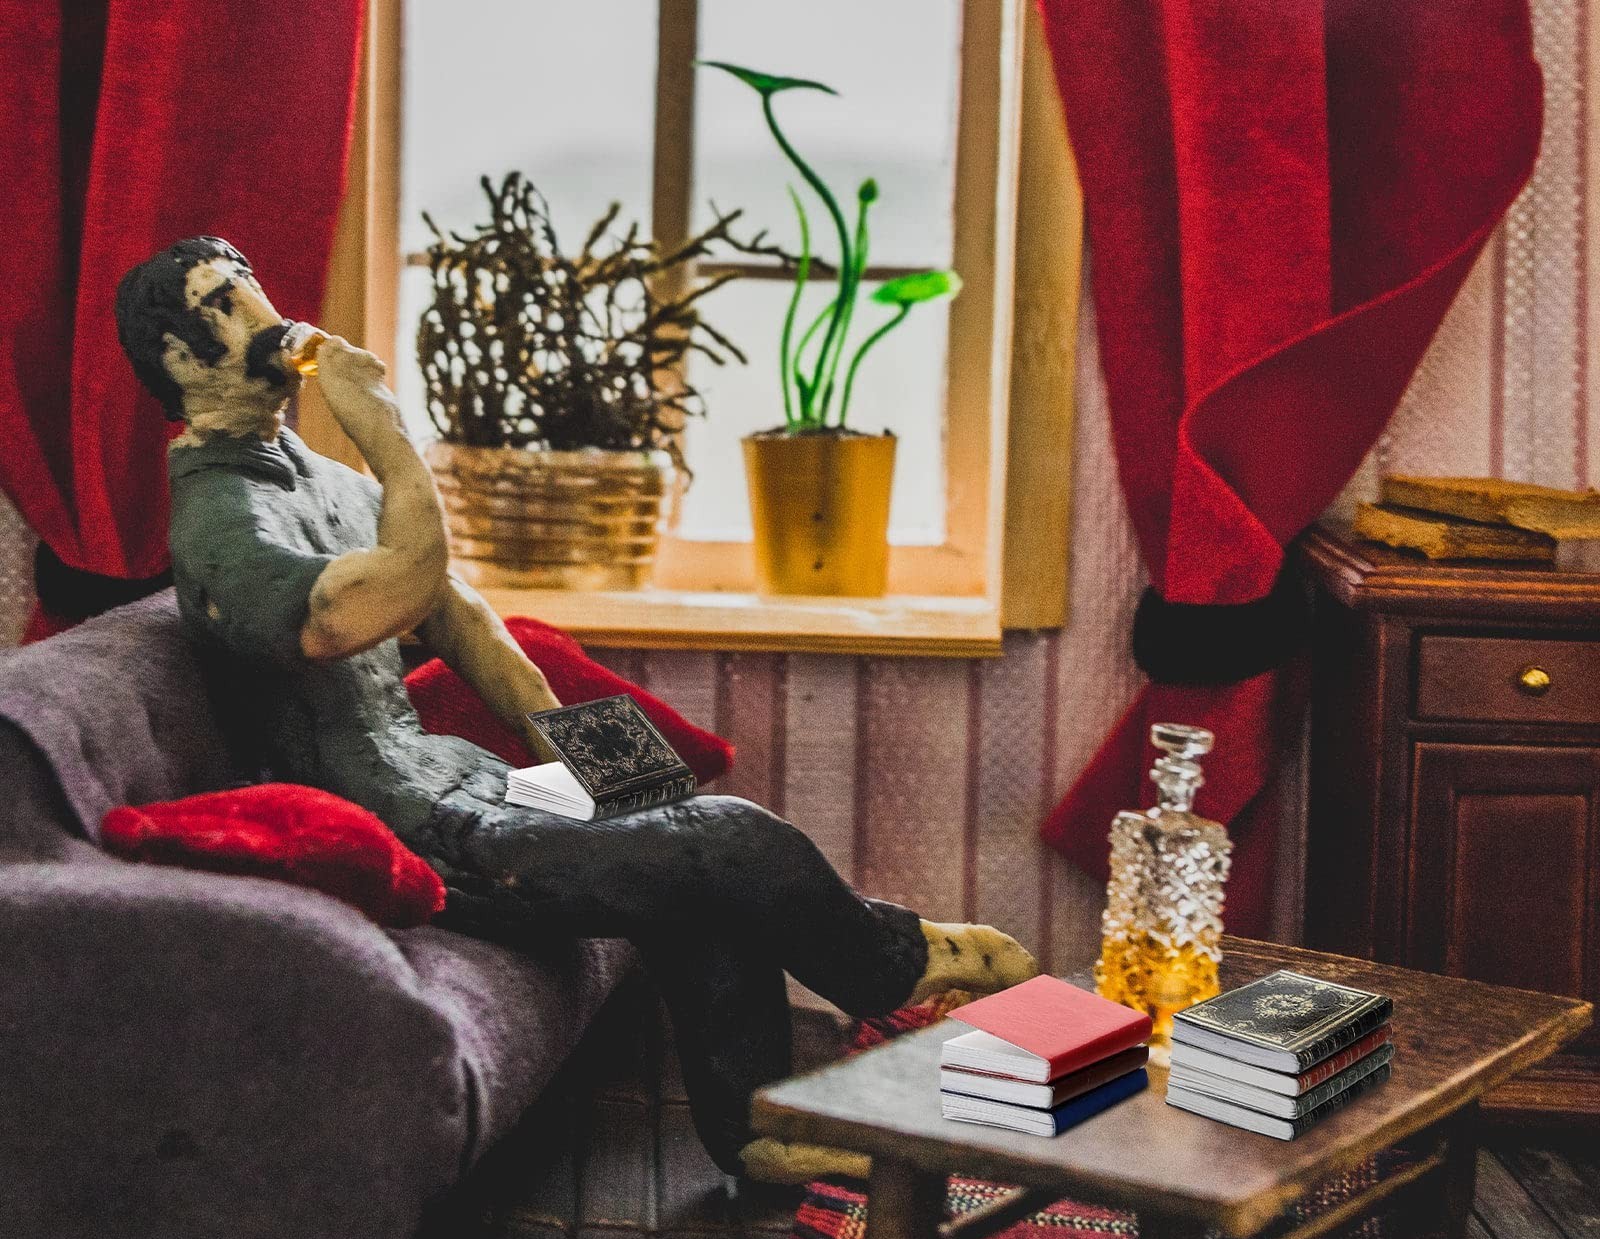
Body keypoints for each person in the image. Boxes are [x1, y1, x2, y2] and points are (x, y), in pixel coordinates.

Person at [114, 236, 1038, 1179]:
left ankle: (757, 1129)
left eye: (253, 284)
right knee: (727, 838)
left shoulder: (321, 480)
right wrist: (386, 430)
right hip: (414, 833)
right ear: (182, 358)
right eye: (227, 303)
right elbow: (365, 605)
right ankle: (895, 963)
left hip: (466, 783)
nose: (264, 313)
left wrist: (607, 768)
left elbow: (469, 626)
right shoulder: (222, 517)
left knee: (676, 826)